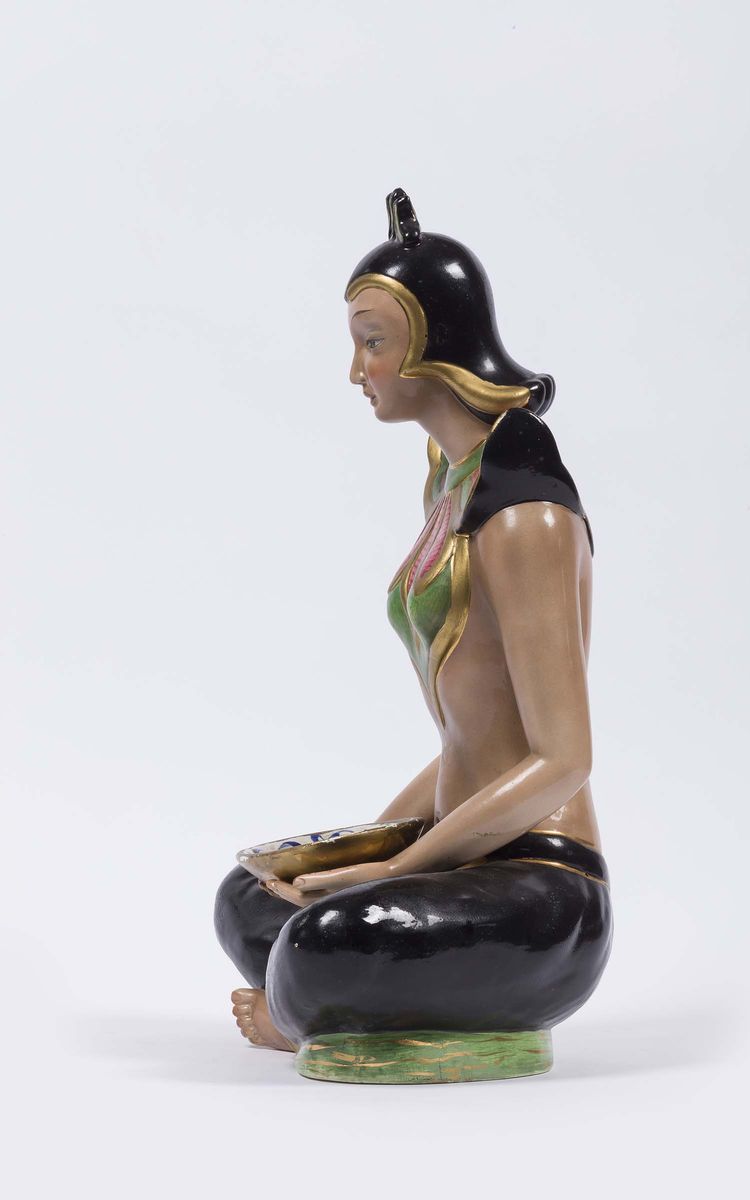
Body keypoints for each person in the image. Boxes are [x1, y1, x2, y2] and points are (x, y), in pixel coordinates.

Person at [214, 189, 613, 1083]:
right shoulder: (452, 481)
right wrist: (362, 848)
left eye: (373, 341)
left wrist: (384, 874)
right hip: (462, 842)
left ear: (436, 347)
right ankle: (325, 997)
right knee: (250, 899)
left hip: (544, 885)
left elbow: (562, 761)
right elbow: (469, 743)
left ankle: (315, 1015)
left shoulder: (527, 517)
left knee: (325, 939)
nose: (357, 369)